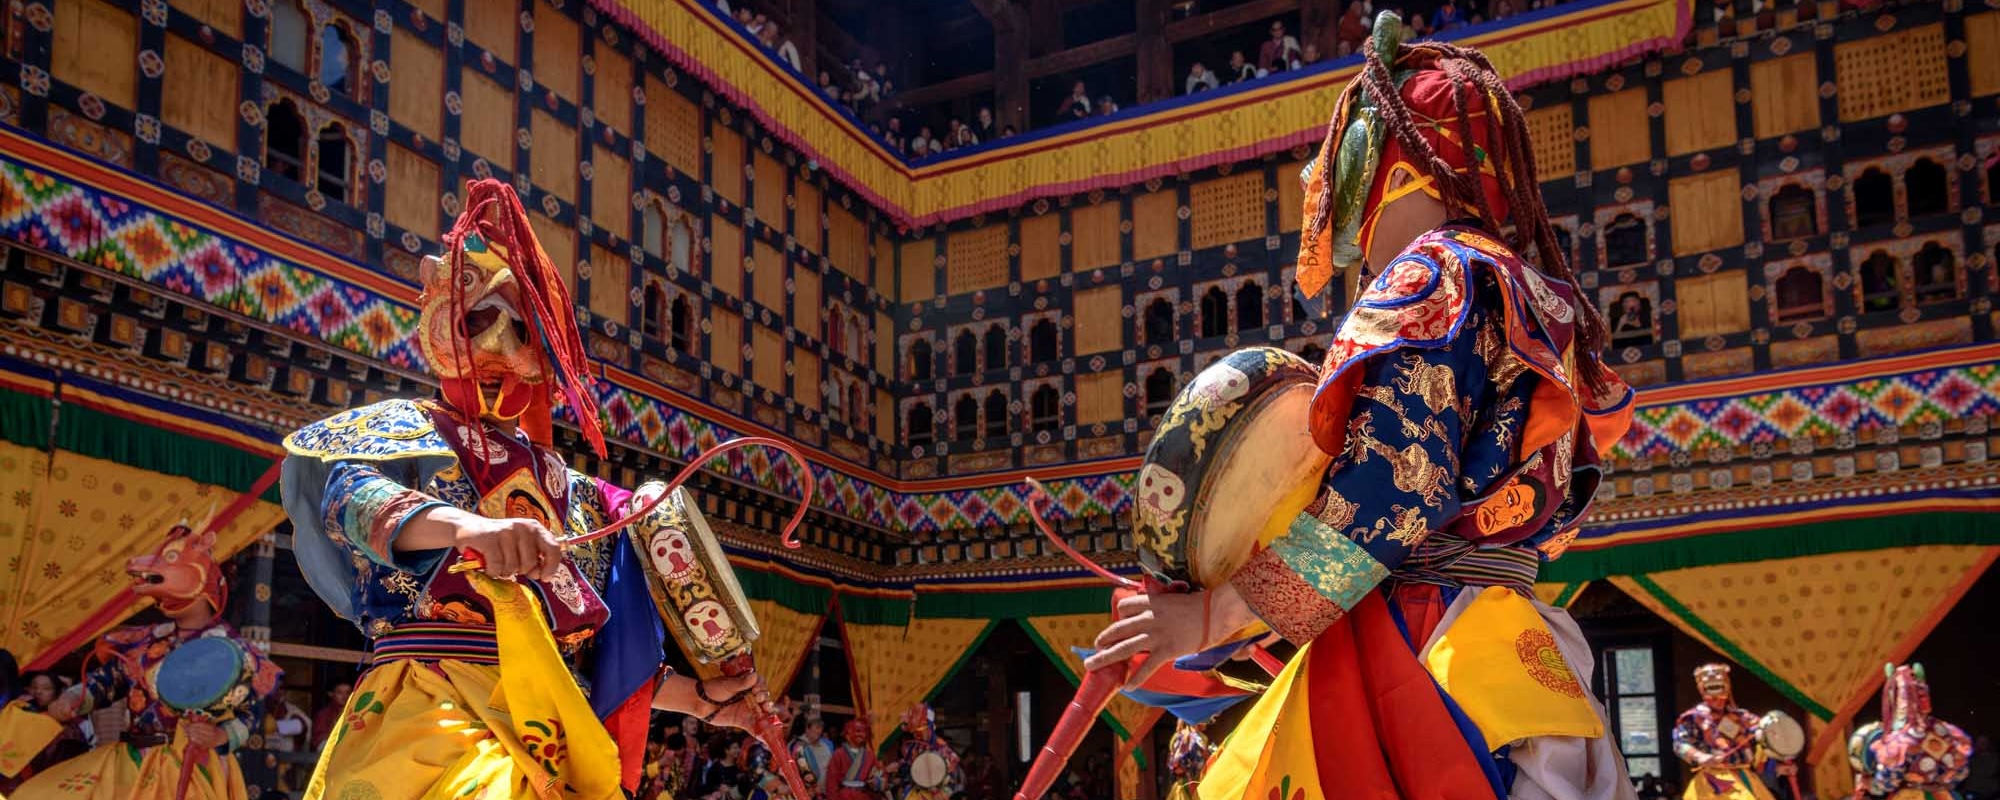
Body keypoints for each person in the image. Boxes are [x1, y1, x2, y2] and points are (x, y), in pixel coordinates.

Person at [1085, 13, 1636, 800]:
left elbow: (1391, 497)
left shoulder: (1426, 279)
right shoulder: (1530, 291)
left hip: (1415, 647)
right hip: (1509, 636)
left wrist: (1207, 620)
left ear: (1387, 160)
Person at [280, 179, 774, 799]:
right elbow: (355, 502)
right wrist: (474, 529)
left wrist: (702, 701)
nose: (498, 343)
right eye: (481, 319)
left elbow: (594, 656)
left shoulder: (581, 495)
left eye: (523, 329)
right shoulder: (398, 433)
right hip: (432, 711)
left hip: (552, 725)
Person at [15, 523, 282, 800]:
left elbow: (250, 713)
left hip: (190, 766)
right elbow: (107, 682)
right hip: (130, 760)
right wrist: (72, 698)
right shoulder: (145, 641)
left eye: (170, 561)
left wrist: (219, 736)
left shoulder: (233, 649)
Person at [1849, 663, 1972, 799]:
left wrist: (1869, 784)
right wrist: (1941, 781)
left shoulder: (1899, 741)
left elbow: (1888, 783)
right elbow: (1962, 771)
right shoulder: (1945, 730)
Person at [1672, 664, 1779, 800]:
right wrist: (1699, 756)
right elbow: (1680, 744)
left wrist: (1780, 763)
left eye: (1719, 686)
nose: (1716, 695)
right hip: (1712, 780)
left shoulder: (1742, 717)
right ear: (1702, 689)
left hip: (1745, 776)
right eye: (1710, 687)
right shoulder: (1693, 717)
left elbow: (1765, 738)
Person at [889, 704, 961, 800]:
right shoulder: (913, 747)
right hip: (916, 793)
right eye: (915, 730)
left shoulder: (942, 747)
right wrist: (896, 767)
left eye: (921, 728)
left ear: (930, 726)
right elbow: (907, 767)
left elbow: (953, 777)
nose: (918, 733)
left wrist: (942, 792)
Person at [824, 719, 880, 800]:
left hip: (864, 796)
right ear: (848, 734)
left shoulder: (870, 755)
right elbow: (831, 783)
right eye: (858, 731)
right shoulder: (838, 754)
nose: (862, 734)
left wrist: (877, 781)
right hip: (844, 797)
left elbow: (879, 774)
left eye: (864, 732)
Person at [792, 715, 835, 792]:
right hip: (807, 790)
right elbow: (800, 769)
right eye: (817, 728)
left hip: (826, 789)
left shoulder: (828, 744)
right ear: (807, 729)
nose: (819, 731)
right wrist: (812, 787)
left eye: (821, 728)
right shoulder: (798, 746)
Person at [310, 681, 351, 749]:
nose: (345, 696)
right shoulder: (323, 715)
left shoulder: (355, 713)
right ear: (330, 693)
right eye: (340, 693)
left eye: (348, 693)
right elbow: (318, 739)